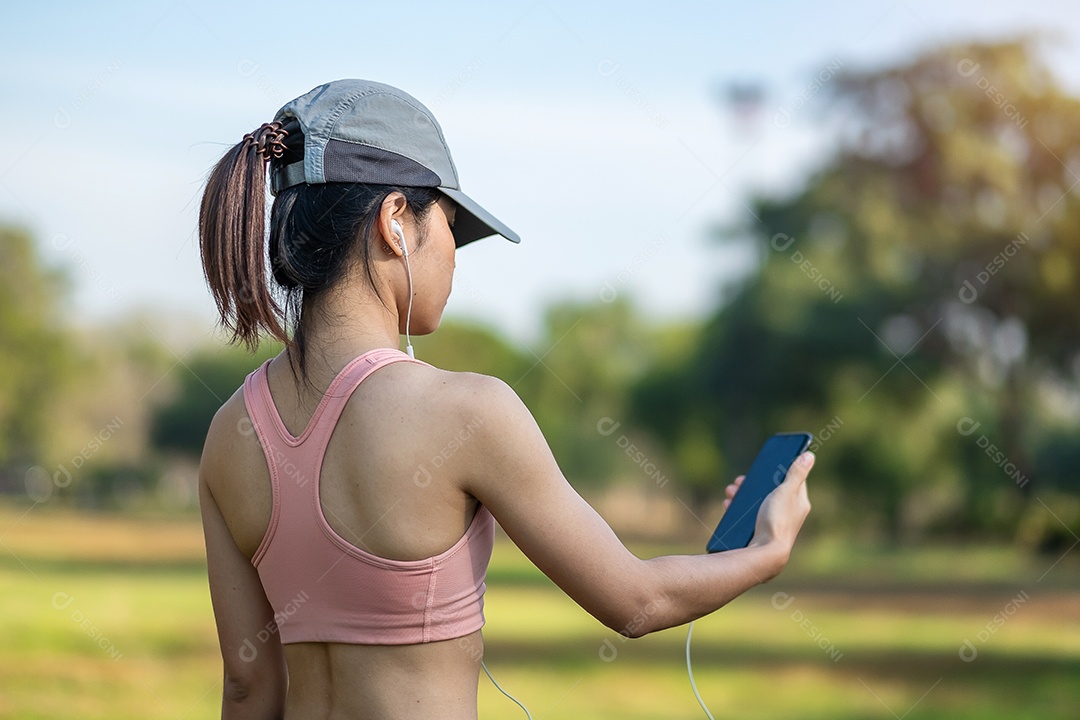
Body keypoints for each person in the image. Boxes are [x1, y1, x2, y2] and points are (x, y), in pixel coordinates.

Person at [196, 79, 813, 720]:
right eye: (452, 228)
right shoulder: (467, 411)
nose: (455, 261)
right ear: (395, 223)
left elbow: (247, 689)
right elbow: (637, 602)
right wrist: (764, 552)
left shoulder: (229, 432)